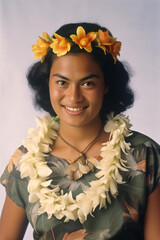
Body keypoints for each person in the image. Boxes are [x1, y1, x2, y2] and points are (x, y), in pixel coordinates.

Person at [0, 22, 160, 240]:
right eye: (62, 82)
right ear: (47, 83)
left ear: (107, 85)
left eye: (87, 84)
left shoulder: (144, 154)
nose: (73, 97)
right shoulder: (26, 161)